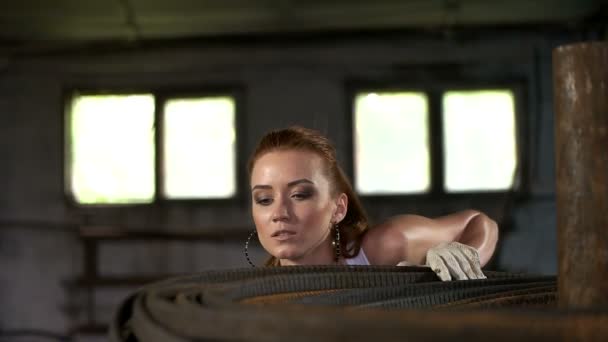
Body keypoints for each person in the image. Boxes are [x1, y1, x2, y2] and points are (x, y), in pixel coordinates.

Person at [246, 126, 498, 281]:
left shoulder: (381, 249)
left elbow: (478, 222)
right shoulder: (251, 293)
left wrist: (465, 254)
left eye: (300, 194)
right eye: (264, 199)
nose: (279, 213)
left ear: (338, 208)